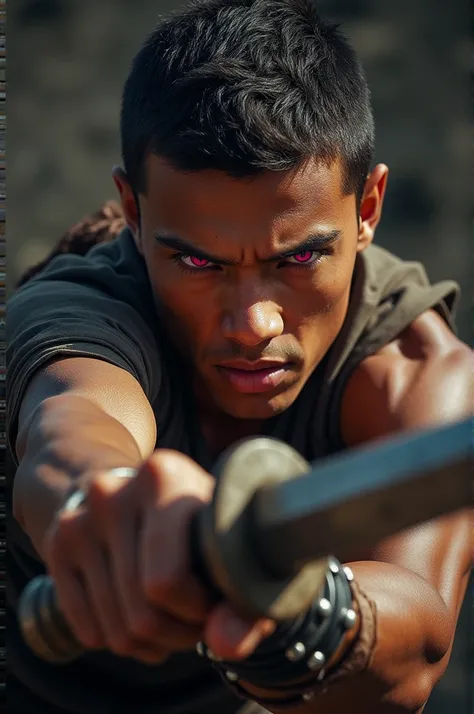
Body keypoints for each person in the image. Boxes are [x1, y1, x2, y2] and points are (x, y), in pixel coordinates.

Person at [6, 1, 473, 713]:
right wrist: (106, 507)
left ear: (368, 206)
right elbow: (71, 424)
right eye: (198, 260)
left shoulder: (418, 368)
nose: (255, 324)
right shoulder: (82, 309)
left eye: (303, 257)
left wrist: (298, 611)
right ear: (132, 212)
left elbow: (415, 658)